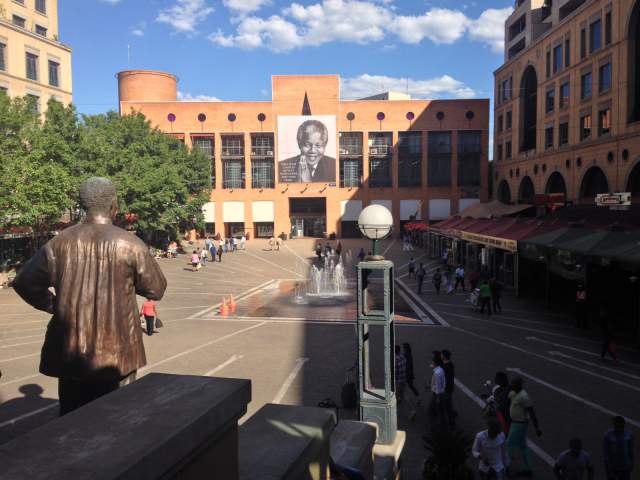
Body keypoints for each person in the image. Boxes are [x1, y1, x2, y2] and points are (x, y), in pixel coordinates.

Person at [12, 177, 167, 416]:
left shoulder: (58, 243)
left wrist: (54, 305)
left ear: (82, 204)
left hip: (72, 353)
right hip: (119, 353)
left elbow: (25, 281)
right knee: (120, 419)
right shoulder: (130, 244)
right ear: (113, 204)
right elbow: (156, 288)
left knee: (73, 422)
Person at [507, 376, 542, 477]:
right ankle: (527, 468)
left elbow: (532, 413)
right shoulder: (513, 393)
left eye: (513, 383)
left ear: (518, 385)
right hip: (515, 422)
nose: (511, 385)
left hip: (520, 424)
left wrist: (537, 428)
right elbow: (508, 401)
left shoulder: (524, 396)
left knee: (509, 443)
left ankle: (506, 465)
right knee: (523, 446)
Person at [429, 352, 447, 428]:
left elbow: (438, 387)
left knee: (437, 410)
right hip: (438, 392)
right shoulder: (439, 370)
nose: (431, 363)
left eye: (433, 361)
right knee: (438, 410)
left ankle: (439, 425)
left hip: (437, 394)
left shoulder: (437, 373)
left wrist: (438, 397)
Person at [441, 349, 456, 429]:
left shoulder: (445, 367)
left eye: (442, 354)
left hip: (446, 389)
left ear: (444, 356)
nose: (441, 355)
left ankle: (451, 422)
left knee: (446, 406)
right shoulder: (450, 364)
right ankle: (452, 416)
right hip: (449, 388)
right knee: (448, 404)